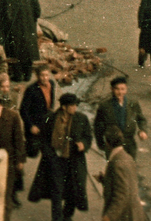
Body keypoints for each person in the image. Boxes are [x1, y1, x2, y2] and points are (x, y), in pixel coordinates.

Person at [28, 92, 93, 221]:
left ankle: (67, 215)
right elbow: (43, 139)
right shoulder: (51, 118)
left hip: (74, 160)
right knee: (56, 191)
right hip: (55, 160)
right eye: (72, 105)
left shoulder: (81, 119)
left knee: (73, 190)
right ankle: (57, 219)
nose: (75, 108)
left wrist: (83, 145)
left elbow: (88, 137)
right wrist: (49, 155)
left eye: (76, 105)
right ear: (64, 107)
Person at [0, 86, 27, 214]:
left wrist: (20, 160)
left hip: (8, 163)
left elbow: (19, 139)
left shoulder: (12, 116)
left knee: (5, 199)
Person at [93, 76, 149, 156]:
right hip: (113, 145)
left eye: (123, 89)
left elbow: (141, 119)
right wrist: (101, 145)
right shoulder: (104, 106)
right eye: (117, 89)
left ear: (126, 89)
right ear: (112, 89)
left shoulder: (133, 103)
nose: (120, 92)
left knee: (130, 165)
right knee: (115, 167)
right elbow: (98, 127)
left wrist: (143, 130)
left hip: (129, 144)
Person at [98, 127, 145, 221]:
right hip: (133, 212)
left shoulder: (117, 163)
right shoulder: (127, 157)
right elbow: (126, 183)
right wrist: (104, 179)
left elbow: (122, 194)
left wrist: (109, 216)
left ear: (108, 143)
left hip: (125, 215)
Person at [6, 0, 42, 82]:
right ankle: (27, 74)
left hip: (16, 28)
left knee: (16, 51)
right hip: (29, 26)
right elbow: (37, 9)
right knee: (28, 50)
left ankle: (18, 75)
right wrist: (32, 20)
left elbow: (8, 15)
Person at [21, 64, 57, 159]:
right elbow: (23, 109)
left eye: (47, 75)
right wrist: (30, 126)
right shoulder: (31, 89)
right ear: (37, 76)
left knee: (48, 150)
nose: (45, 78)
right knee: (32, 153)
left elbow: (51, 102)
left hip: (46, 121)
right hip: (35, 122)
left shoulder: (52, 84)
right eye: (42, 75)